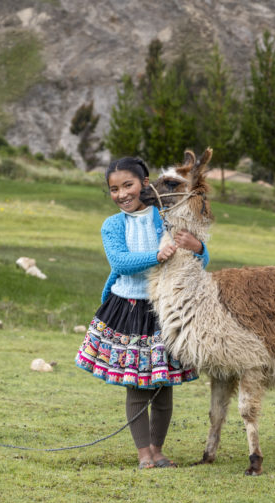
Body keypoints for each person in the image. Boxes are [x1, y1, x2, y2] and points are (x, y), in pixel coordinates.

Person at [75, 156, 209, 469]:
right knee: (136, 386)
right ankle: (143, 453)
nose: (122, 194)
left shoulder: (164, 220)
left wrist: (198, 247)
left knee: (162, 387)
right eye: (114, 189)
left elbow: (195, 264)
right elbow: (120, 263)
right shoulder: (112, 225)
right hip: (129, 311)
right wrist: (156, 255)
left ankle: (158, 449)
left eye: (128, 185)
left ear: (144, 184)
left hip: (162, 313)